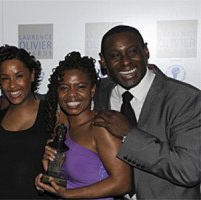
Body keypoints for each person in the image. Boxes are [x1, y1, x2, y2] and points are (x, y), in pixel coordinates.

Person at [92, 25, 201, 199]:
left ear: (146, 51)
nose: (126, 62)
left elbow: (188, 170)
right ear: (103, 61)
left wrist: (129, 135)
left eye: (132, 52)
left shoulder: (185, 99)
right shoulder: (97, 92)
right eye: (115, 56)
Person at [34, 51, 131, 199]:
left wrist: (68, 194)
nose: (72, 95)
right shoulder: (62, 128)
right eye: (64, 88)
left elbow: (123, 182)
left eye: (80, 87)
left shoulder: (101, 126)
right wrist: (46, 181)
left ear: (92, 90)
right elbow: (69, 181)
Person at [0, 45, 52, 199]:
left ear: (32, 75)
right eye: (5, 78)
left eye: (19, 76)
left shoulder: (52, 113)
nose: (12, 85)